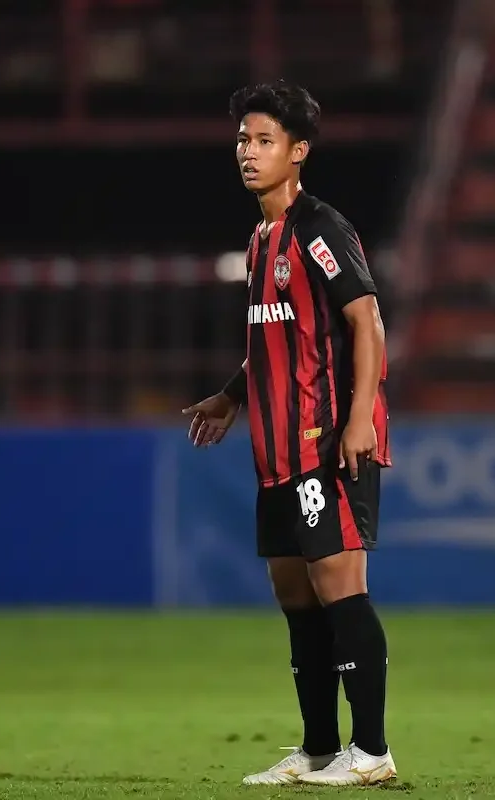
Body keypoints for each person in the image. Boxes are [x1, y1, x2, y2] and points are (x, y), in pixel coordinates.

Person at [182, 79, 396, 787]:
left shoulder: (318, 229)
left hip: (325, 440)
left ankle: (372, 754)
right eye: (243, 138)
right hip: (274, 451)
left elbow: (366, 321)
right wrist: (231, 395)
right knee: (296, 600)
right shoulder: (261, 239)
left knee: (341, 590)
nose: (248, 151)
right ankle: (317, 751)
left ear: (298, 152)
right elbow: (274, 339)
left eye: (265, 140)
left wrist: (359, 416)